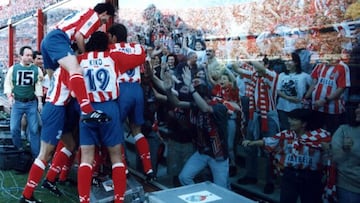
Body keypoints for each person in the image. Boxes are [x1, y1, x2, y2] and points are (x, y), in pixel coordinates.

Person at [76, 31, 146, 203]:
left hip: (88, 108)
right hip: (109, 107)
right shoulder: (113, 57)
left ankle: (84, 200)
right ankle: (119, 200)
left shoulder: (80, 60)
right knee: (116, 157)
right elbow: (140, 57)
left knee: (86, 158)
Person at [40, 2, 115, 123]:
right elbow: (79, 36)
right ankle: (87, 110)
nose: (105, 22)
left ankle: (53, 110)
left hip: (48, 40)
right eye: (107, 18)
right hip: (59, 38)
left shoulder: (83, 13)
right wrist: (84, 54)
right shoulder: (94, 16)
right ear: (105, 13)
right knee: (76, 69)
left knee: (56, 78)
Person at [242, 108, 331, 203]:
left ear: (304, 124)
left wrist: (329, 148)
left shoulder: (320, 137)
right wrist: (251, 142)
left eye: (294, 119)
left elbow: (332, 155)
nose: (290, 122)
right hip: (290, 176)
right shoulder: (286, 135)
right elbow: (269, 141)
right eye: (290, 119)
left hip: (311, 178)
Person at [164, 66, 233, 189]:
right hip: (202, 152)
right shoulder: (195, 105)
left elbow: (206, 108)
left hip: (219, 156)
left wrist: (191, 88)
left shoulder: (219, 106)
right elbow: (177, 103)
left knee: (222, 189)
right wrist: (168, 90)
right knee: (184, 177)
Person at [107, 23, 156, 181]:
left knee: (117, 128)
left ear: (114, 36)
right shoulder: (137, 47)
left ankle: (124, 167)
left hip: (122, 90)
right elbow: (147, 68)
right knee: (137, 130)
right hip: (137, 89)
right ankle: (148, 169)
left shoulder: (111, 49)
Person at [233, 56, 280, 194]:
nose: (255, 65)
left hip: (269, 115)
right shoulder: (254, 75)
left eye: (259, 61)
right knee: (249, 145)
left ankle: (270, 181)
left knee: (269, 147)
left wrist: (248, 57)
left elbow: (259, 68)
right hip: (255, 115)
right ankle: (251, 175)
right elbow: (236, 68)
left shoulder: (272, 75)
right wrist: (237, 54)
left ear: (265, 64)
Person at [3, 46, 43, 159]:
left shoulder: (36, 70)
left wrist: (39, 102)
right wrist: (10, 97)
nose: (30, 57)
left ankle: (36, 156)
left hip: (31, 102)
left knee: (34, 130)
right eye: (27, 55)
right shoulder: (13, 69)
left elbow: (38, 86)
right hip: (17, 102)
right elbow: (8, 84)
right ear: (21, 56)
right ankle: (19, 149)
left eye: (31, 55)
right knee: (14, 128)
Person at [304, 58, 351, 134]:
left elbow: (341, 88)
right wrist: (306, 97)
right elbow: (314, 82)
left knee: (332, 133)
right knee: (314, 133)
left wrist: (324, 100)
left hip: (333, 110)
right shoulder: (319, 64)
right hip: (316, 106)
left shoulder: (342, 67)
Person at [331, 102, 360, 203]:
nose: (357, 110)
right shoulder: (344, 130)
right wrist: (345, 149)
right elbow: (335, 158)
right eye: (358, 107)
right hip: (350, 186)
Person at [276, 52, 312, 130]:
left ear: (296, 62)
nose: (287, 63)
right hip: (282, 107)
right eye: (285, 61)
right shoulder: (281, 75)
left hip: (297, 108)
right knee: (285, 129)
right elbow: (278, 90)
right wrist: (288, 98)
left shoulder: (304, 76)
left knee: (297, 129)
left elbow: (313, 85)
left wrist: (306, 96)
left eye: (290, 61)